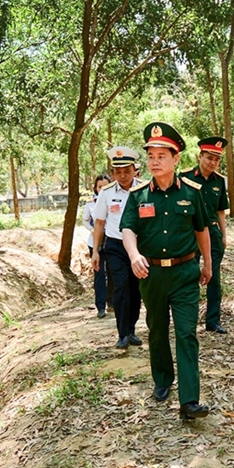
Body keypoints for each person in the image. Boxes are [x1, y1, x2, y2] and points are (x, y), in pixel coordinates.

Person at [121, 121, 213, 420]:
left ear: (176, 159)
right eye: (151, 156)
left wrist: (208, 263)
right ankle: (162, 379)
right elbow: (127, 229)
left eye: (162, 156)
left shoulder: (192, 192)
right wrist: (134, 255)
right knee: (158, 330)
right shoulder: (138, 195)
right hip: (152, 275)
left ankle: (190, 400)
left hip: (185, 273)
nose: (155, 161)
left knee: (186, 333)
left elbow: (201, 229)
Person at [92, 147, 142, 349]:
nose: (122, 176)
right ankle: (122, 334)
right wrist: (95, 251)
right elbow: (99, 223)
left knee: (136, 289)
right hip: (115, 246)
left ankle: (131, 329)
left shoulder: (144, 189)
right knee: (121, 287)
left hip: (138, 247)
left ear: (134, 170)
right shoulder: (106, 193)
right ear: (112, 173)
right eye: (118, 172)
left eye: (127, 171)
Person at [181, 137, 230, 334]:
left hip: (213, 232)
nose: (212, 163)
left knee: (214, 277)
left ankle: (213, 320)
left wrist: (224, 235)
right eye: (209, 158)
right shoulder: (185, 177)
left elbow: (220, 211)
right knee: (190, 274)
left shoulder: (219, 181)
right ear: (199, 156)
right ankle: (187, 319)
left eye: (216, 160)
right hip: (191, 233)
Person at [83, 174, 112, 318]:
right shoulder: (90, 204)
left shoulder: (115, 200)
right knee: (99, 274)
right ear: (95, 188)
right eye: (100, 187)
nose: (102, 189)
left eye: (105, 186)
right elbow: (85, 220)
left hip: (112, 241)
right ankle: (100, 307)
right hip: (95, 243)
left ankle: (112, 302)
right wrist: (92, 230)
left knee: (113, 272)